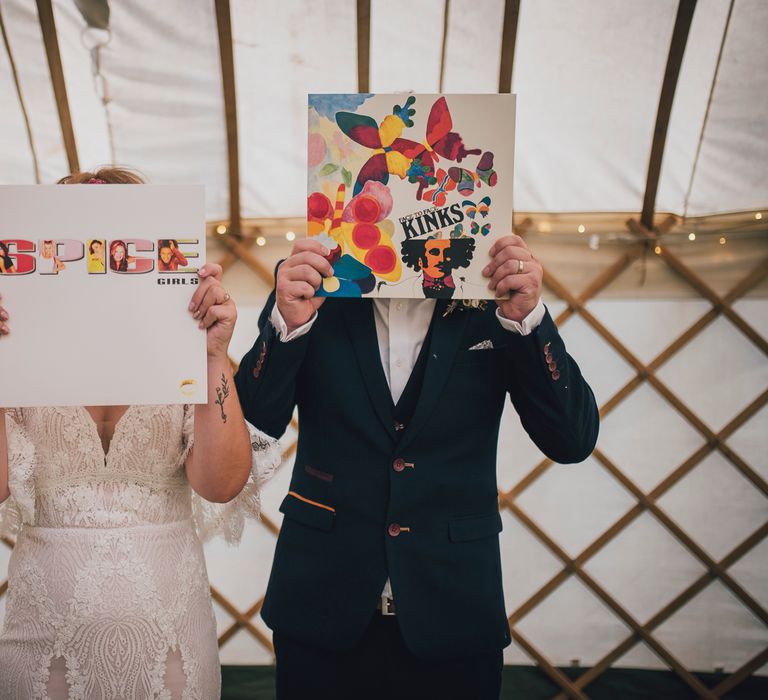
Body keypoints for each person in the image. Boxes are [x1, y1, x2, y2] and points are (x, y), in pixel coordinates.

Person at [235, 233, 599, 699]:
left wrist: (528, 320)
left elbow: (572, 440)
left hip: (455, 610)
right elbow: (249, 433)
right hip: (321, 605)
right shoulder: (318, 288)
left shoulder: (494, 300)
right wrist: (287, 324)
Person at [0, 168, 280, 699]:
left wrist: (215, 355)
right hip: (42, 628)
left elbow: (219, 484)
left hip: (169, 627)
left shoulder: (179, 340)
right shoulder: (22, 341)